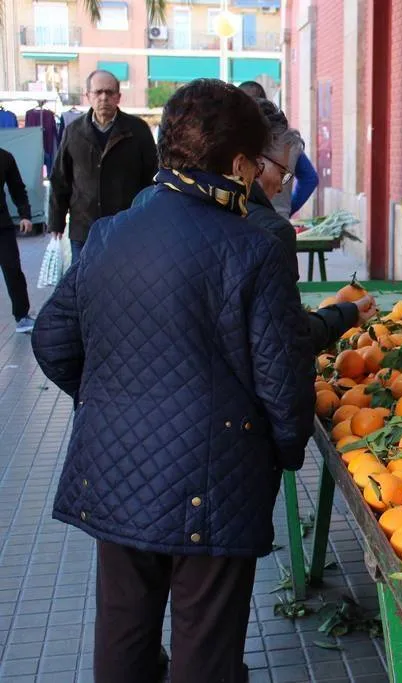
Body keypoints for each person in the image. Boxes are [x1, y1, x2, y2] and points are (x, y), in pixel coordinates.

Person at [31, 79, 313, 682]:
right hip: (213, 484)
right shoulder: (251, 249)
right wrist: (285, 452)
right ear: (239, 164)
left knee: (123, 640)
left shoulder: (109, 233)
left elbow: (53, 341)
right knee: (204, 651)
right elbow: (281, 384)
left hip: (113, 472)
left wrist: (115, 400)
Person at [131, 97, 374, 349]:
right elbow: (283, 341)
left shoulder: (137, 213)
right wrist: (343, 316)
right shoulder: (268, 233)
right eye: (281, 173)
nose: (281, 185)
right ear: (248, 162)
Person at [48, 70, 158, 263]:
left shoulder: (137, 130)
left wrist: (149, 219)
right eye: (98, 92)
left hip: (125, 227)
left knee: (125, 285)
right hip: (84, 229)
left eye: (109, 92)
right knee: (82, 285)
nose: (104, 98)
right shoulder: (73, 132)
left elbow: (152, 177)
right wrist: (56, 222)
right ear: (88, 96)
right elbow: (60, 179)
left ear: (118, 97)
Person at [238, 81, 319, 218]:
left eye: (284, 175)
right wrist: (286, 209)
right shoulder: (287, 143)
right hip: (277, 217)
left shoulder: (231, 143)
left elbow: (310, 179)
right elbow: (310, 179)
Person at [0, 147, 35, 333]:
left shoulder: (5, 157)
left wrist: (25, 215)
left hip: (2, 227)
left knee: (12, 269)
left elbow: (17, 188)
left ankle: (22, 316)